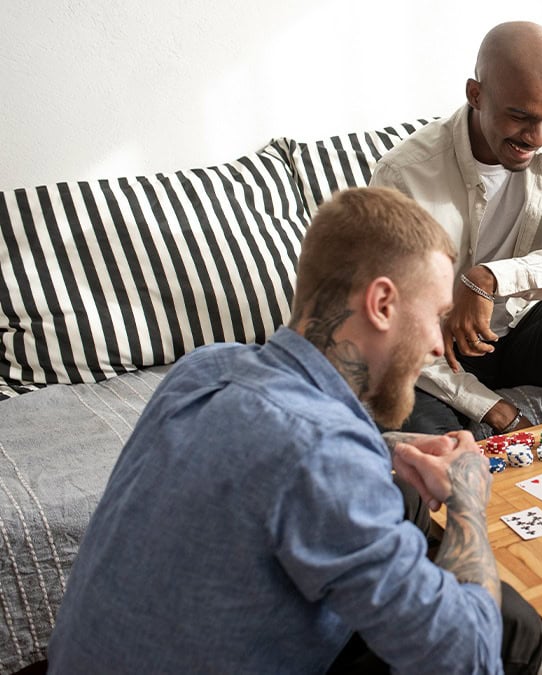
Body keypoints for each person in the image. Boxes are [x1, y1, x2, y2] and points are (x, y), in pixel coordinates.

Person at [49, 188, 512, 673]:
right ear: (381, 303)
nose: (440, 346)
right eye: (437, 317)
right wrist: (466, 501)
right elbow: (470, 658)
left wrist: (386, 447)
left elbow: (277, 449)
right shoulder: (323, 454)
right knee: (504, 630)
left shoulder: (203, 369)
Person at [370, 20, 542, 436]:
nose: (537, 137)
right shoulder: (403, 176)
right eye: (520, 117)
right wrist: (494, 408)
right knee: (435, 449)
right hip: (440, 352)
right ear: (476, 94)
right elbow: (397, 330)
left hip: (526, 332)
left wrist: (490, 279)